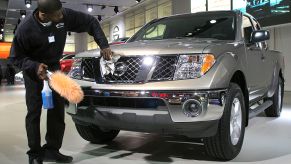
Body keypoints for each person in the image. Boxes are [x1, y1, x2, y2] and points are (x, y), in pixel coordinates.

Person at [9, 0, 113, 163]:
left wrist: (103, 44)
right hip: (34, 71)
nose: (61, 16)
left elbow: (91, 22)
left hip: (54, 69)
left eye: (61, 12)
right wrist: (34, 66)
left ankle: (52, 149)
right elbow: (15, 58)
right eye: (57, 15)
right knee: (34, 112)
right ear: (43, 14)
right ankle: (35, 155)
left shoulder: (64, 15)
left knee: (57, 111)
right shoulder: (25, 28)